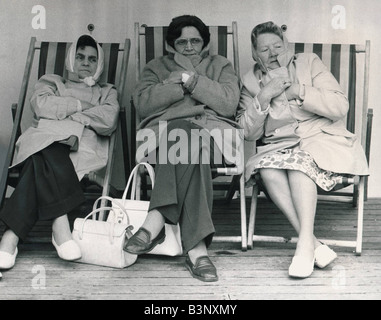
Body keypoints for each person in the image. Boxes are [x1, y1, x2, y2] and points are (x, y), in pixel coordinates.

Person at [237, 21, 369, 278]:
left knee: (299, 166)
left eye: (278, 46)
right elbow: (246, 132)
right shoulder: (251, 81)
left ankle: (304, 247)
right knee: (268, 171)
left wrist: (299, 90)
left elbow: (340, 106)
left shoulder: (309, 63)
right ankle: (311, 243)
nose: (273, 53)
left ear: (287, 45)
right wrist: (263, 96)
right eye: (264, 49)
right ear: (254, 54)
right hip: (278, 146)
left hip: (322, 140)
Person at [124, 15, 242, 282]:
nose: (189, 47)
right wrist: (177, 84)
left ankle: (156, 220)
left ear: (205, 42)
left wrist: (192, 81)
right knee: (185, 138)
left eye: (195, 41)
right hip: (163, 138)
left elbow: (228, 104)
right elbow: (142, 104)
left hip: (213, 136)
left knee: (187, 137)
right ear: (170, 45)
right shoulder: (156, 67)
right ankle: (198, 251)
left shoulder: (220, 65)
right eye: (182, 42)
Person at [0, 35, 119, 271]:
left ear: (100, 64)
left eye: (92, 59)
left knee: (39, 159)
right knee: (48, 146)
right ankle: (61, 226)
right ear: (71, 59)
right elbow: (42, 106)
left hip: (80, 147)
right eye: (80, 56)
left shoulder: (107, 91)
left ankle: (10, 238)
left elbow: (108, 120)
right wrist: (82, 110)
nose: (86, 63)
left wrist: (63, 111)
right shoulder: (52, 81)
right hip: (44, 139)